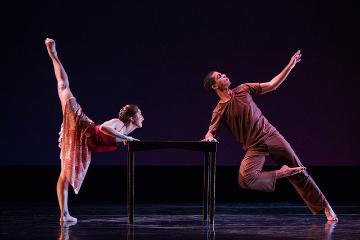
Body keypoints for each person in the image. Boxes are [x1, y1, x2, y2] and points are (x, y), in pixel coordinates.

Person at [202, 50, 338, 222]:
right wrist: (208, 138)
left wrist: (291, 65)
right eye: (220, 76)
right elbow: (210, 131)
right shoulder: (219, 110)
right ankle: (282, 173)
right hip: (254, 147)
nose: (224, 75)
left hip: (271, 136)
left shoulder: (243, 89)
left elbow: (272, 85)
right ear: (215, 86)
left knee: (299, 170)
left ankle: (326, 207)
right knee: (245, 179)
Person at [45, 38, 144, 222]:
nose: (143, 118)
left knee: (65, 174)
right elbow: (104, 127)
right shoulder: (119, 124)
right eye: (140, 115)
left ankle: (64, 214)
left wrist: (126, 139)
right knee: (63, 87)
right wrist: (126, 138)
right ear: (131, 118)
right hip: (82, 125)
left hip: (84, 143)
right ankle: (53, 54)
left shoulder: (126, 131)